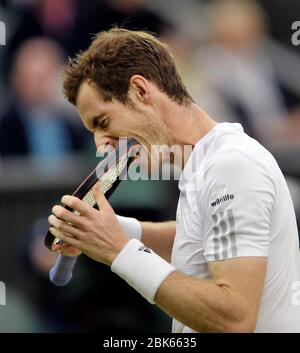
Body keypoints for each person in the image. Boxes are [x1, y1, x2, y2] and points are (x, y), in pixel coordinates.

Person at [47, 28, 300, 332]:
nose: (102, 146)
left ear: (141, 91)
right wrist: (109, 230)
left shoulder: (231, 166)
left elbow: (235, 319)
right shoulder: (206, 162)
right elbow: (202, 242)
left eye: (103, 122)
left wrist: (117, 249)